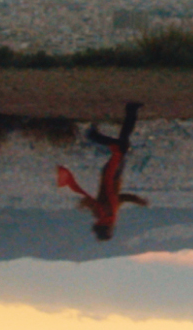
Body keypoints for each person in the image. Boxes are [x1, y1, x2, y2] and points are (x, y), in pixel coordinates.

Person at [57, 102, 147, 240]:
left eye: (110, 232)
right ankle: (130, 112)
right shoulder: (109, 216)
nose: (112, 230)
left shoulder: (104, 214)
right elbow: (119, 198)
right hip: (114, 176)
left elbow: (109, 199)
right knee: (123, 144)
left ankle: (94, 135)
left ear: (106, 229)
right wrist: (137, 200)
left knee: (122, 146)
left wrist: (137, 200)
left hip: (111, 175)